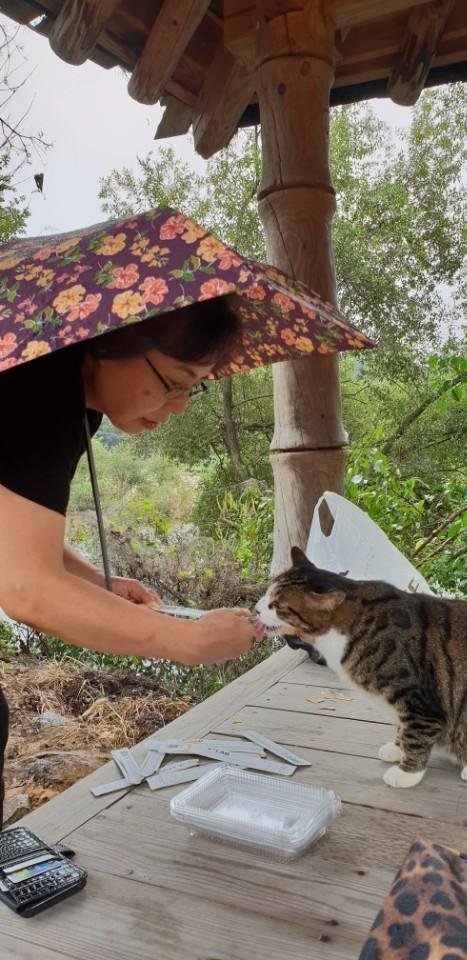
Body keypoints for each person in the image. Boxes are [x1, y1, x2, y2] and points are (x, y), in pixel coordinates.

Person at [0, 295, 257, 826]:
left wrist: (94, 580)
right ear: (109, 343)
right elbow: (26, 589)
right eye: (175, 381)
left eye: (196, 386)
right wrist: (185, 642)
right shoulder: (40, 389)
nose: (182, 404)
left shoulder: (73, 400)